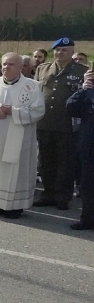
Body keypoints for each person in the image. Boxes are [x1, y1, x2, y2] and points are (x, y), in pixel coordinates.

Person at [0, 53, 45, 219]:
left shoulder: (32, 86)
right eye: (4, 64)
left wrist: (13, 111)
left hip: (18, 137)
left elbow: (38, 111)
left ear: (21, 67)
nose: (6, 67)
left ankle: (14, 206)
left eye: (11, 64)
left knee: (16, 169)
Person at [34, 38, 88, 210]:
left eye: (64, 50)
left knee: (65, 163)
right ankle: (48, 193)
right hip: (45, 122)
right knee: (45, 161)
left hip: (67, 125)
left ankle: (63, 197)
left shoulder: (82, 71)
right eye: (57, 50)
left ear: (72, 51)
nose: (59, 53)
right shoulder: (43, 69)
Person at [66, 69, 94, 230]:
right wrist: (83, 89)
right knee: (88, 183)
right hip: (88, 143)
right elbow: (71, 109)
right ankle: (88, 218)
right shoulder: (87, 91)